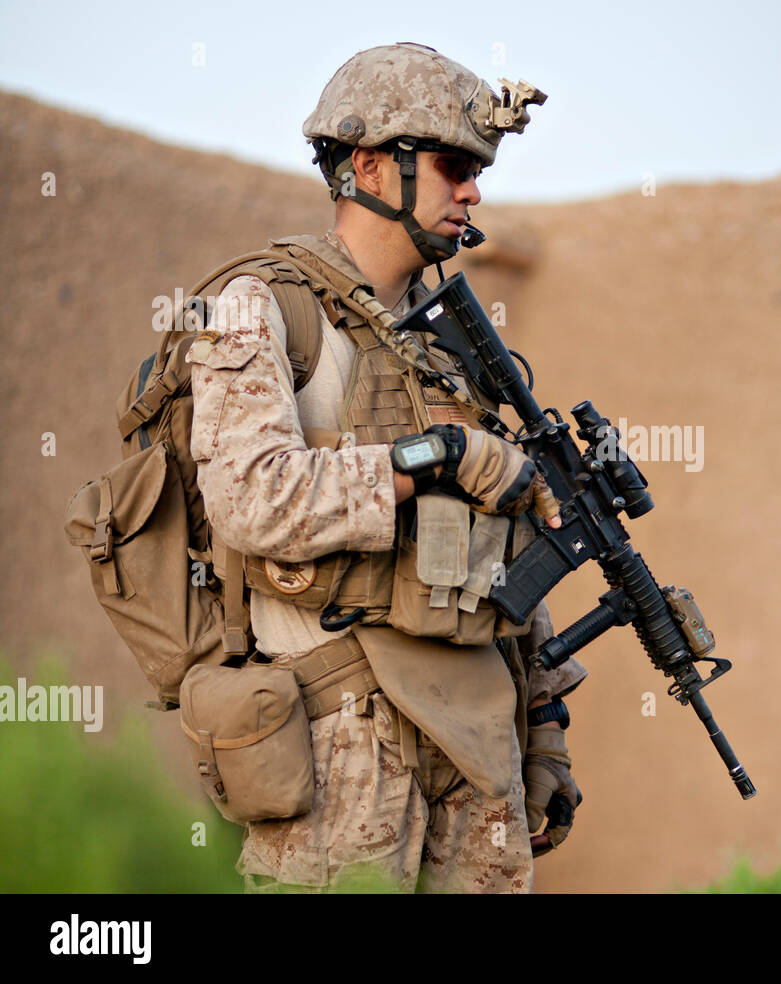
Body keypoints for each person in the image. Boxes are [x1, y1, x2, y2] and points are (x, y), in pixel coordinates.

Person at [187, 42, 585, 893]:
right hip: (343, 744)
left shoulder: (458, 350)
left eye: (478, 170)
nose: (474, 190)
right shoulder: (260, 309)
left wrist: (544, 729)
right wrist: (442, 454)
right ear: (368, 164)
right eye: (453, 164)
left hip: (479, 751)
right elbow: (252, 500)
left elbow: (514, 548)